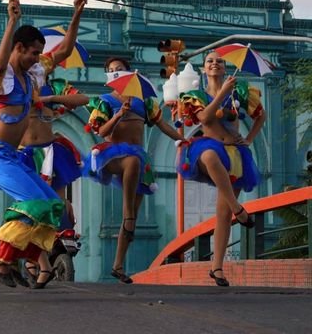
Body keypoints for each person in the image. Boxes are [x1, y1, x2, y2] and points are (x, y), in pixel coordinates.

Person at [0, 0, 86, 289]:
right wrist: (12, 21)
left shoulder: (31, 74)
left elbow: (65, 50)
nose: (38, 58)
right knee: (34, 201)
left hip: (13, 156)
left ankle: (28, 261)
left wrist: (76, 14)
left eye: (39, 54)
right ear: (19, 48)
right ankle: (1, 259)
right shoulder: (3, 76)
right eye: (33, 53)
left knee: (51, 205)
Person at [83, 57, 184, 284]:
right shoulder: (105, 100)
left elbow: (163, 126)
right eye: (110, 71)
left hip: (137, 158)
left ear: (129, 73)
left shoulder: (144, 102)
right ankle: (127, 211)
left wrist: (182, 141)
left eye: (119, 69)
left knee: (135, 167)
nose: (114, 73)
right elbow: (101, 131)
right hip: (112, 155)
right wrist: (118, 115)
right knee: (131, 164)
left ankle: (118, 265)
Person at [177, 52, 265, 286]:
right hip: (209, 145)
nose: (215, 63)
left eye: (219, 61)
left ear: (225, 68)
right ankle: (239, 208)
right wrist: (222, 92)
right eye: (210, 61)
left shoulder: (239, 91)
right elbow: (205, 118)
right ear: (203, 69)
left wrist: (249, 139)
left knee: (222, 214)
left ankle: (217, 268)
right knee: (209, 156)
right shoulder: (195, 95)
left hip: (235, 151)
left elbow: (260, 115)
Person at [19, 58, 89, 285]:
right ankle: (32, 253)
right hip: (25, 152)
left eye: (41, 63)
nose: (36, 67)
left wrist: (49, 99)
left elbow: (83, 99)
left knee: (57, 200)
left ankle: (61, 236)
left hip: (50, 150)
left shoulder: (54, 86)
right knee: (27, 206)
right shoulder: (18, 85)